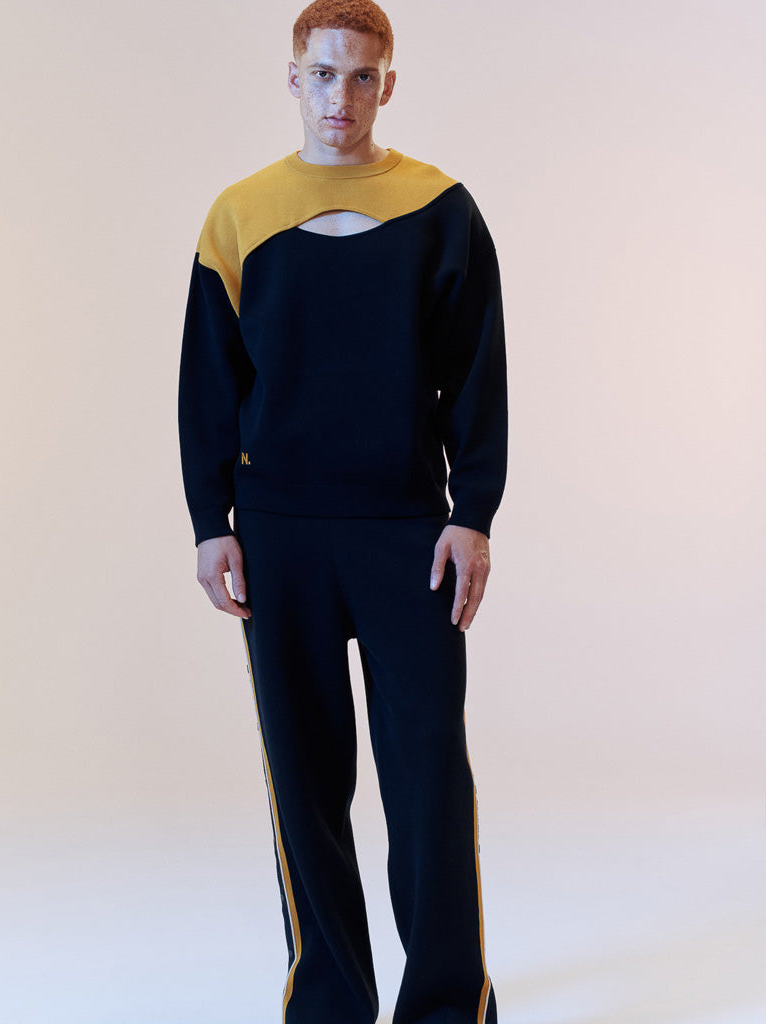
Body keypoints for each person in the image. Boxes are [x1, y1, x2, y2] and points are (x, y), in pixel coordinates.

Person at [178, 1, 506, 1021]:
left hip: (407, 533)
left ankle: (446, 1004)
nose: (341, 98)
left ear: (387, 85)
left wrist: (473, 512)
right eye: (322, 74)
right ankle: (328, 1002)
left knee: (427, 779)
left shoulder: (439, 207)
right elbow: (208, 383)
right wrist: (211, 521)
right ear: (293, 78)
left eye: (362, 77)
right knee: (304, 783)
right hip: (279, 534)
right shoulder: (240, 214)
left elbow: (478, 373)